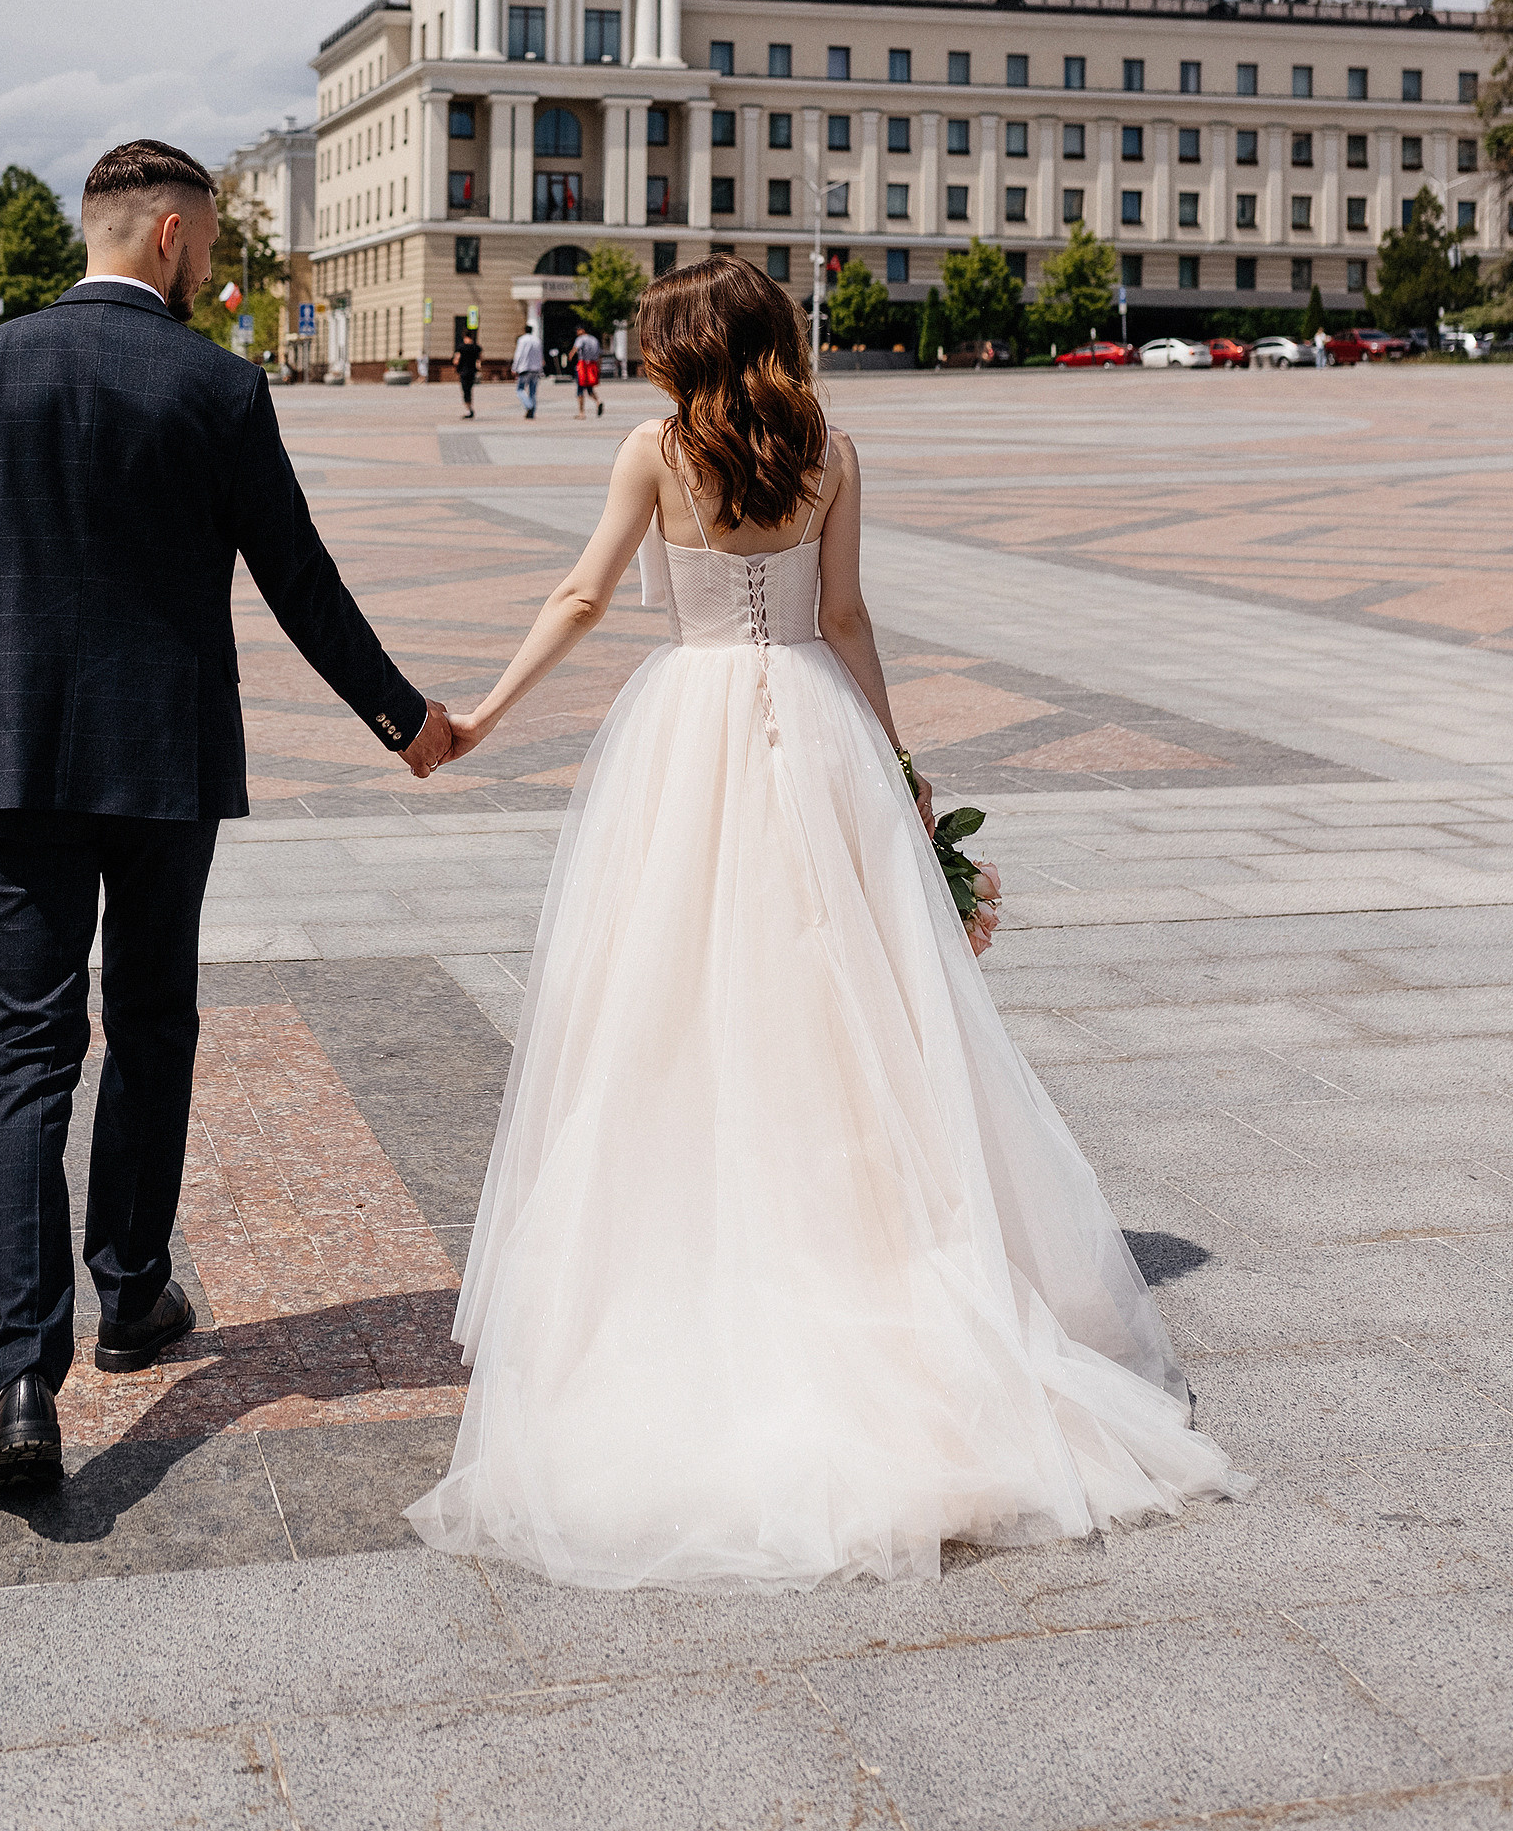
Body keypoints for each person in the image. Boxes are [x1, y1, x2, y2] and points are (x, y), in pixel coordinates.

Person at [409, 254, 1243, 1590]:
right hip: (816, 723)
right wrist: (901, 772)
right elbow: (846, 615)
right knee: (849, 996)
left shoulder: (655, 451)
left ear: (685, 345)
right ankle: (871, 1242)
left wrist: (478, 721)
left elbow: (577, 597)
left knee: (675, 1001)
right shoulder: (830, 451)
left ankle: (703, 1239)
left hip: (688, 730)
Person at [0, 138, 453, 1495]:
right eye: (204, 241)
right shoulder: (214, 383)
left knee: (24, 1055)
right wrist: (403, 720)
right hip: (163, 763)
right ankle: (130, 1293)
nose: (209, 262)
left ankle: (26, 1373)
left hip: (8, 760)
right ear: (164, 236)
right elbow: (298, 579)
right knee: (149, 1020)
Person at [571, 321, 603, 419]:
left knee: (580, 389)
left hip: (583, 365)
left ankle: (582, 413)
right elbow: (599, 354)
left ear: (582, 330)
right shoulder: (594, 340)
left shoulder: (580, 339)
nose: (576, 332)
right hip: (592, 365)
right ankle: (598, 402)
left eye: (578, 330)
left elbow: (576, 348)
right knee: (589, 389)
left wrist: (570, 356)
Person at [511, 319, 543, 419]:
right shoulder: (537, 340)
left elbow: (519, 354)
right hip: (536, 369)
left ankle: (529, 405)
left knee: (520, 389)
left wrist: (514, 367)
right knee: (533, 391)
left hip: (525, 368)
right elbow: (540, 355)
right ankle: (532, 411)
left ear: (524, 330)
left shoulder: (522, 340)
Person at [451, 322, 483, 416]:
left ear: (464, 336)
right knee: (469, 389)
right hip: (472, 371)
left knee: (465, 390)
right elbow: (480, 359)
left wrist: (456, 366)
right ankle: (470, 408)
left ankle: (469, 409)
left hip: (463, 372)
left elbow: (456, 361)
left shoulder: (461, 347)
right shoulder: (476, 347)